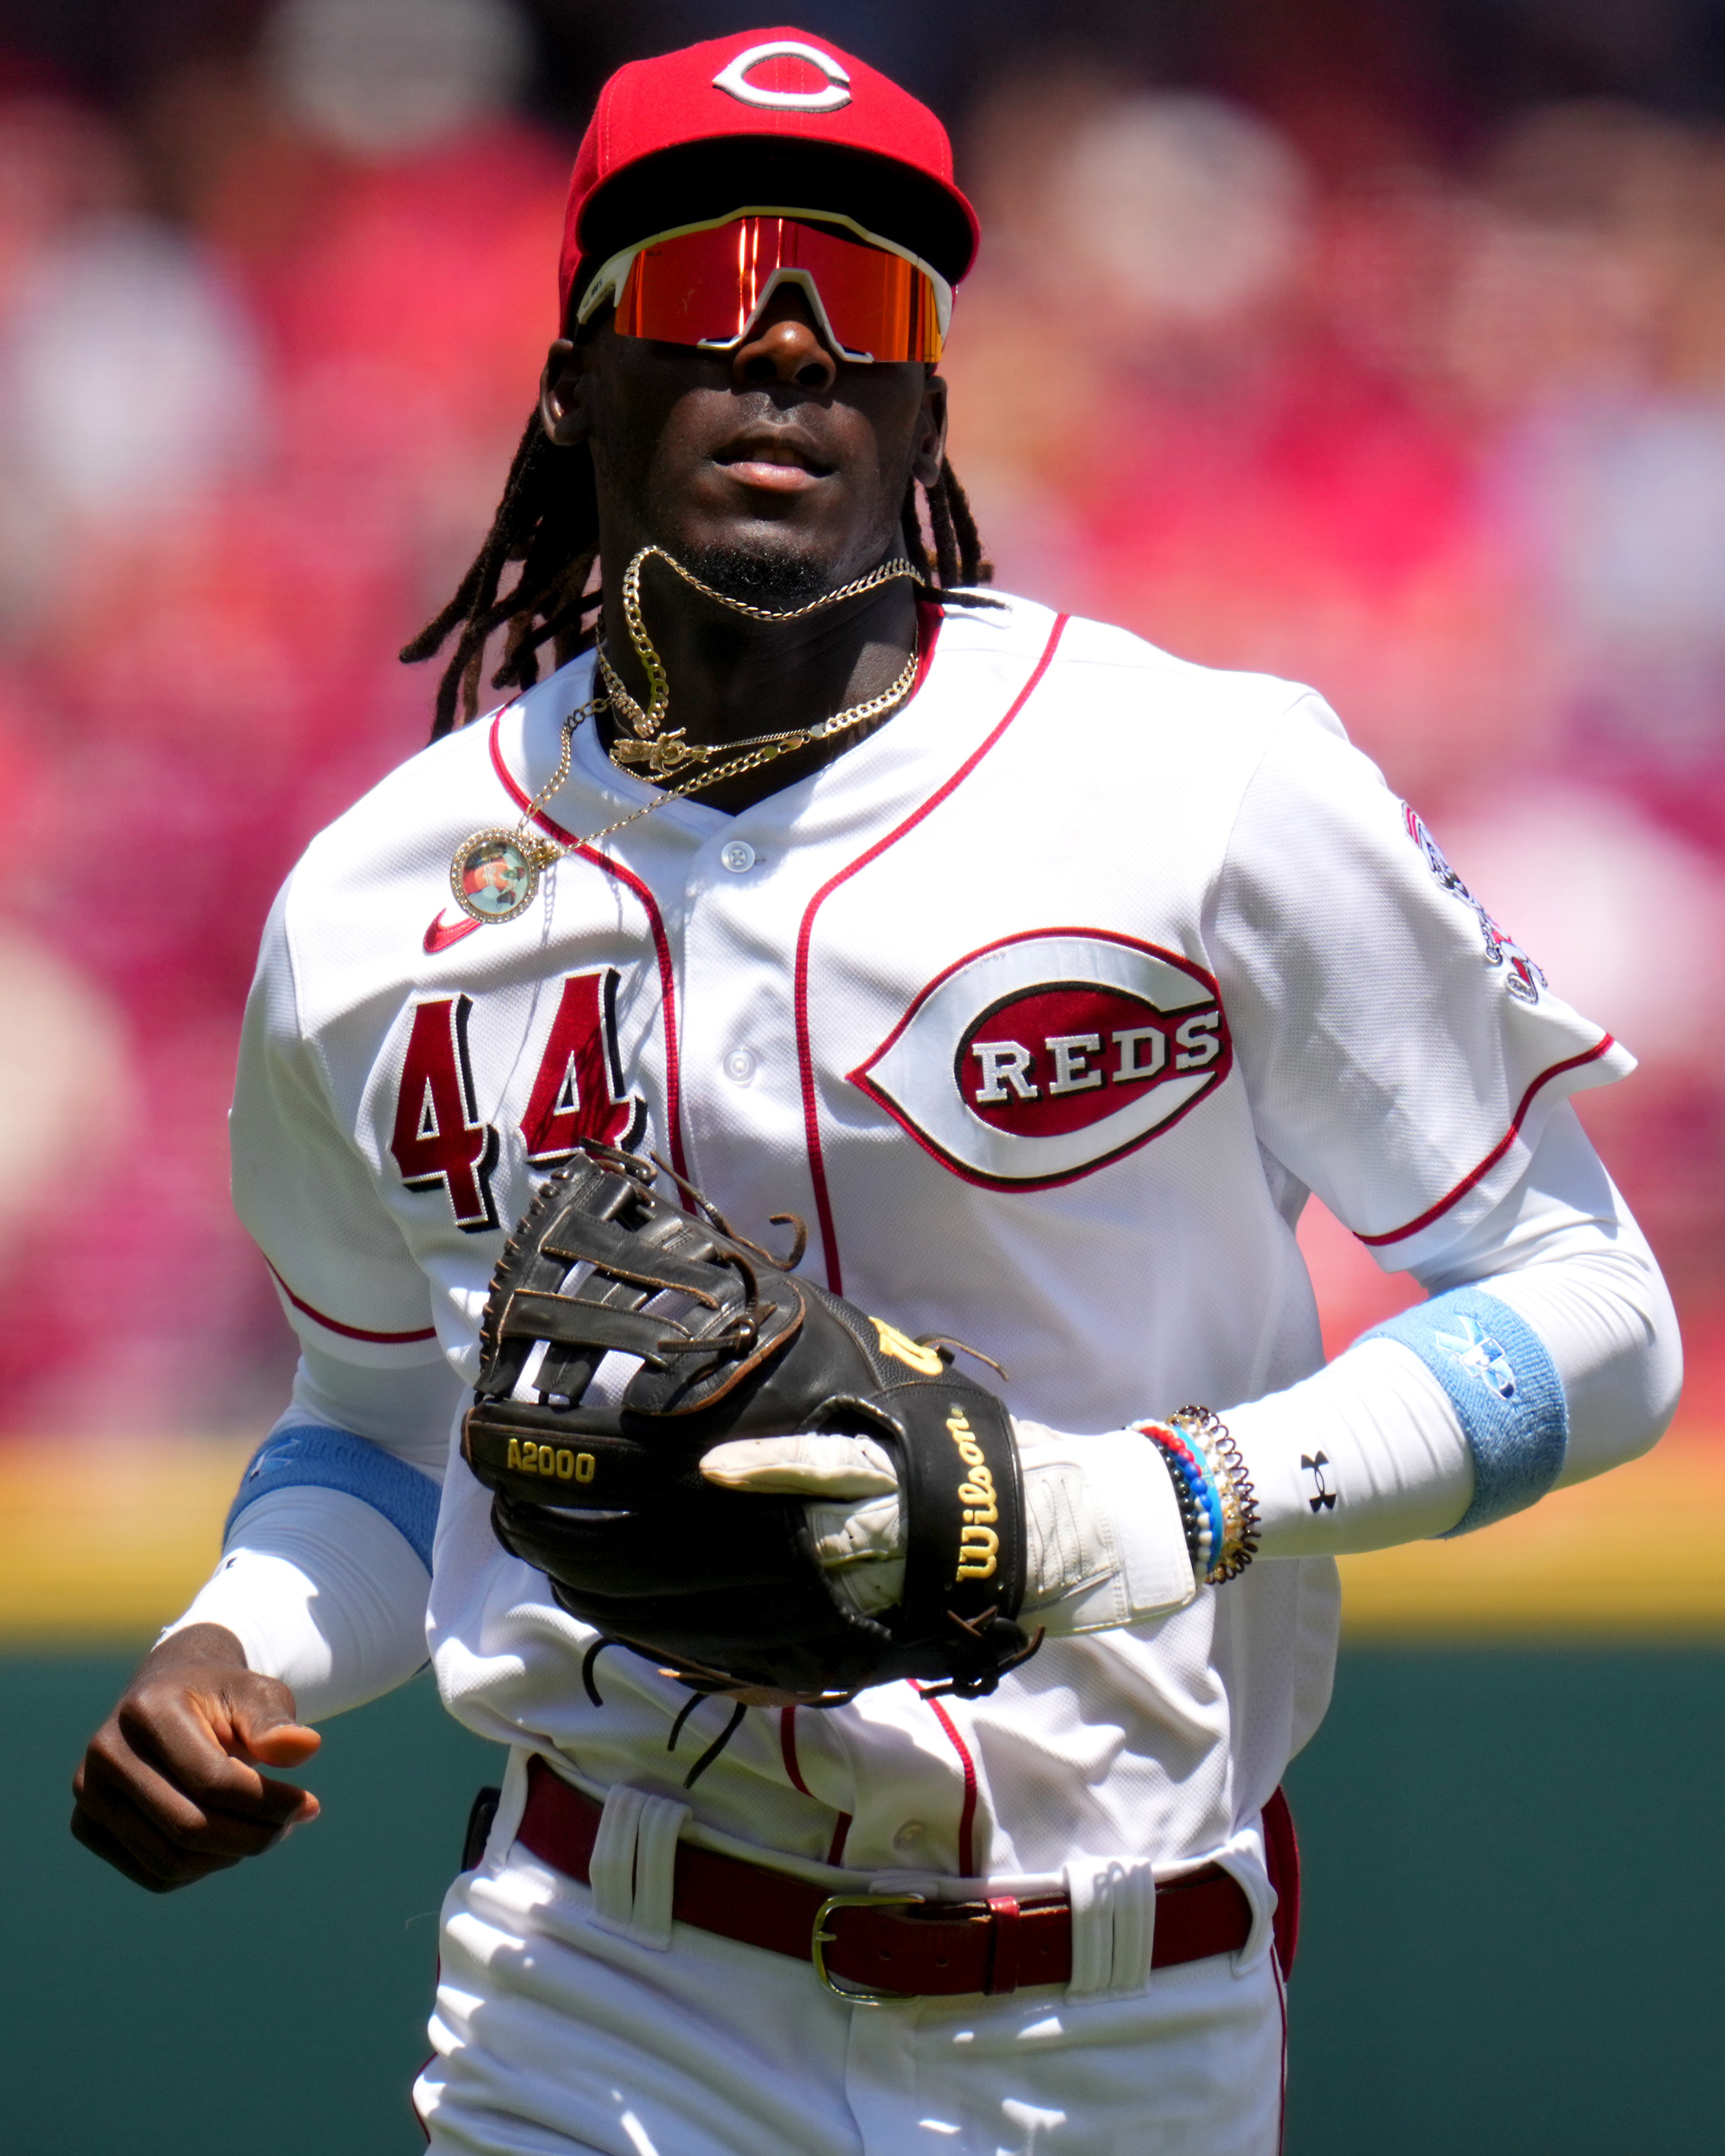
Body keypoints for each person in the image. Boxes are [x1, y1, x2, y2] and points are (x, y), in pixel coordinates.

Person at [70, 29, 1679, 2156]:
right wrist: (234, 1635)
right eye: (705, 289)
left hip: (1111, 2006)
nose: (794, 353)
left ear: (933, 394)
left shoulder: (1203, 785)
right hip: (594, 1979)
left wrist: (1145, 1509)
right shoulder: (380, 903)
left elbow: (1596, 1315)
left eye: (874, 300)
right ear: (575, 377)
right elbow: (374, 1430)